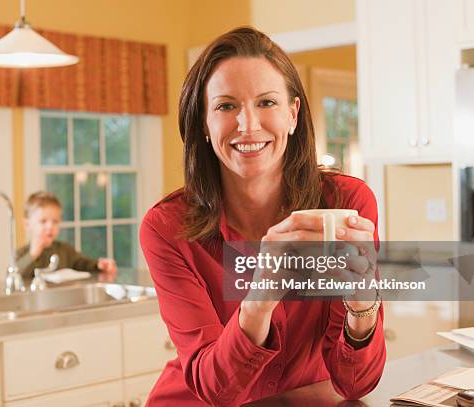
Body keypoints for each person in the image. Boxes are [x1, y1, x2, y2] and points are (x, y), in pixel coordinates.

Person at [139, 27, 385, 406]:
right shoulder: (167, 227)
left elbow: (356, 384)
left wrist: (362, 301)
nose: (248, 125)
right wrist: (260, 296)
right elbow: (216, 389)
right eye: (226, 106)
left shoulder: (347, 203)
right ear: (204, 123)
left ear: (293, 114)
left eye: (267, 102)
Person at [16, 191, 117, 281]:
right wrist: (32, 255)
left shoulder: (65, 250)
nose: (50, 226)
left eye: (55, 221)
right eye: (43, 221)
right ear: (27, 225)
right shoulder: (21, 253)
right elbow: (15, 275)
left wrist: (98, 265)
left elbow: (82, 264)